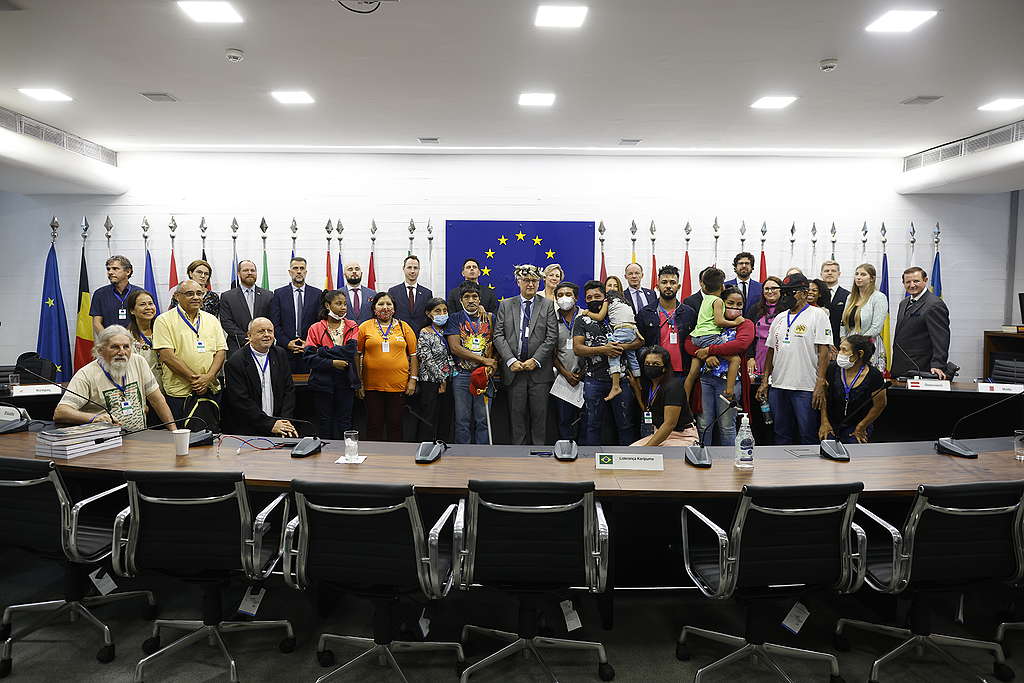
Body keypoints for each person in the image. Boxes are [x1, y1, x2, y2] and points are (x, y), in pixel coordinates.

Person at [54, 325, 177, 432]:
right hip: (105, 443)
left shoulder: (139, 362)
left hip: (139, 438)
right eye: (115, 347)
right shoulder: (86, 374)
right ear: (100, 350)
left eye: (126, 347)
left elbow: (158, 400)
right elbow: (61, 412)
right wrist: (94, 418)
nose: (122, 352)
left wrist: (174, 431)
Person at [755, 273, 832, 445]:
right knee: (780, 434)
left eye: (792, 292)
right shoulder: (780, 317)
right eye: (785, 292)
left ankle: (810, 471)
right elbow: (770, 351)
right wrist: (765, 381)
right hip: (778, 386)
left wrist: (820, 381)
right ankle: (782, 470)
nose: (786, 296)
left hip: (805, 386)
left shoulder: (818, 315)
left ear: (805, 293)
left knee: (807, 434)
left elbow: (824, 351)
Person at [493, 264, 558, 445]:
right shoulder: (506, 305)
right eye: (526, 280)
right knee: (516, 417)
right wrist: (510, 360)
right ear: (518, 282)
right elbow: (498, 335)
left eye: (534, 281)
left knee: (540, 417)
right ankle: (518, 456)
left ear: (539, 282)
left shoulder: (547, 305)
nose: (530, 284)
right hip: (514, 371)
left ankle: (539, 454)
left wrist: (536, 360)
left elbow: (552, 337)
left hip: (539, 372)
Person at [573, 280, 641, 446]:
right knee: (592, 424)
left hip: (622, 380)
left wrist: (618, 347)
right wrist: (604, 349)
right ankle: (590, 462)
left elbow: (638, 342)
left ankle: (628, 463)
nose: (593, 299)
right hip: (594, 380)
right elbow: (578, 349)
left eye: (597, 296)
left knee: (625, 425)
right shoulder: (582, 320)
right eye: (589, 297)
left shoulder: (617, 313)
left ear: (605, 297)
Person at [684, 287, 754, 446]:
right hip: (706, 380)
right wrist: (706, 355)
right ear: (722, 303)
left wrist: (710, 350)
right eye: (730, 303)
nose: (735, 308)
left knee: (727, 426)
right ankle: (702, 457)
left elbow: (740, 345)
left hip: (730, 382)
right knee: (703, 424)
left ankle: (729, 464)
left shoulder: (744, 323)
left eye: (739, 304)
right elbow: (689, 342)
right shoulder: (712, 321)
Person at [152, 280, 228, 422]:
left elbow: (221, 351)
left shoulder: (212, 319)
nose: (196, 297)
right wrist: (197, 381)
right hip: (180, 393)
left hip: (210, 389)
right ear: (177, 296)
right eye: (189, 294)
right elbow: (167, 356)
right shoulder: (163, 320)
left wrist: (208, 377)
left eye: (199, 293)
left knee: (210, 435)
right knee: (183, 438)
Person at [356, 292, 418, 441]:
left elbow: (414, 356)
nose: (385, 307)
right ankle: (372, 459)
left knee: (395, 425)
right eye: (381, 304)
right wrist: (359, 383)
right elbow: (357, 355)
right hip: (371, 386)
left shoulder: (404, 327)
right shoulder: (365, 327)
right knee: (373, 425)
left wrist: (413, 380)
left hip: (398, 386)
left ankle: (395, 460)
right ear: (374, 308)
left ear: (394, 308)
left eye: (389, 304)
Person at [222, 317, 298, 437]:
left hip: (279, 426)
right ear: (249, 335)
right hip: (249, 430)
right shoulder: (235, 362)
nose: (267, 335)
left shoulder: (280, 354)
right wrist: (269, 424)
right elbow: (240, 401)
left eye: (270, 331)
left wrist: (284, 421)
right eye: (261, 331)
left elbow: (289, 390)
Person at [445, 282, 498, 445]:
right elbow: (455, 348)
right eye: (466, 297)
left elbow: (498, 342)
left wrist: (493, 363)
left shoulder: (490, 318)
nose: (471, 300)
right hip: (462, 375)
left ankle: (483, 455)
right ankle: (463, 456)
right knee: (462, 419)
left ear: (480, 299)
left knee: (483, 419)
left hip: (484, 375)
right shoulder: (455, 318)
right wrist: (483, 360)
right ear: (461, 300)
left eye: (474, 296)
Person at [303, 290, 360, 438]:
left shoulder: (352, 325)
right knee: (324, 422)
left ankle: (346, 455)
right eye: (338, 303)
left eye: (345, 304)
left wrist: (322, 351)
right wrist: (332, 363)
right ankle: (325, 457)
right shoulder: (315, 328)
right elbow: (309, 358)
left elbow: (350, 351)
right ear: (328, 305)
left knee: (345, 422)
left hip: (346, 381)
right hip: (322, 382)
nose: (343, 307)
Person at [683, 267, 744, 403]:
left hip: (696, 337)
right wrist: (735, 322)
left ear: (704, 286)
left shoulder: (706, 299)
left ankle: (684, 402)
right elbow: (719, 321)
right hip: (709, 337)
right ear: (722, 286)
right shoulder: (717, 301)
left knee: (693, 372)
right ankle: (729, 392)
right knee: (735, 360)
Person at [819, 335, 887, 444]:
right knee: (827, 447)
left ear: (859, 354)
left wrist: (862, 426)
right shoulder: (832, 369)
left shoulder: (874, 375)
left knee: (854, 449)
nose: (839, 353)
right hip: (832, 424)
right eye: (840, 349)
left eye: (844, 350)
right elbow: (823, 396)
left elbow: (880, 404)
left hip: (858, 426)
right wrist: (824, 422)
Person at [628, 345, 698, 447]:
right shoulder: (649, 385)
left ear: (665, 367)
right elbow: (646, 409)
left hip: (681, 436)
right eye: (647, 363)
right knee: (632, 450)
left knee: (647, 455)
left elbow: (670, 424)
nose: (650, 366)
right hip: (659, 433)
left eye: (656, 364)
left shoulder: (673, 387)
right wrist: (636, 388)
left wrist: (646, 449)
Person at [890, 266, 951, 380]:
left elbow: (941, 338)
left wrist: (938, 364)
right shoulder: (904, 303)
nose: (912, 285)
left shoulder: (934, 305)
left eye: (916, 281)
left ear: (925, 280)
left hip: (920, 368)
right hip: (900, 366)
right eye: (908, 282)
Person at [580, 289, 641, 401]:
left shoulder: (607, 300)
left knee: (613, 353)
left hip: (621, 329)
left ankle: (615, 386)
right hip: (632, 331)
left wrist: (587, 313)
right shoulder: (624, 302)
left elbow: (599, 317)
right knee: (632, 358)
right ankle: (638, 382)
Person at [269, 257, 322, 373]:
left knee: (309, 388)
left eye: (302, 268)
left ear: (306, 272)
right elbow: (275, 324)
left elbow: (319, 324)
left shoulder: (317, 294)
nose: (299, 271)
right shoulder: (279, 294)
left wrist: (308, 343)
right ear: (290, 272)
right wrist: (287, 343)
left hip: (309, 350)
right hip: (285, 351)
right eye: (295, 268)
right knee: (286, 387)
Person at [415, 297, 455, 442]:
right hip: (431, 382)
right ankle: (424, 448)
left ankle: (443, 446)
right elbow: (427, 359)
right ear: (428, 313)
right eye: (437, 311)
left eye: (445, 310)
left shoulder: (450, 331)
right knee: (428, 417)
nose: (442, 313)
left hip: (449, 380)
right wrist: (441, 379)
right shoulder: (424, 332)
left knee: (446, 417)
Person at [840, 263, 889, 373]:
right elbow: (843, 322)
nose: (858, 277)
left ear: (872, 278)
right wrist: (843, 340)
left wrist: (857, 343)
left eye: (863, 274)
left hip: (868, 343)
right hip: (850, 344)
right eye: (856, 274)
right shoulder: (850, 297)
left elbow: (876, 327)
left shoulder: (879, 297)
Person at [219, 259, 272, 356]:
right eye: (245, 270)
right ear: (239, 273)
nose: (250, 273)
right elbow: (226, 322)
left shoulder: (268, 295)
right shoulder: (227, 296)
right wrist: (248, 338)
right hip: (237, 346)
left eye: (252, 270)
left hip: (263, 346)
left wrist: (259, 338)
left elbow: (272, 319)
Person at [551, 281, 583, 441]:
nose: (564, 298)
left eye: (568, 294)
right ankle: (565, 453)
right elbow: (551, 351)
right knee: (564, 421)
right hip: (562, 379)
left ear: (576, 298)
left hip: (585, 377)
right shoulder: (551, 319)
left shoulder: (585, 317)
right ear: (555, 299)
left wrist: (581, 374)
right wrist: (565, 374)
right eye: (560, 295)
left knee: (587, 420)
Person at [90, 255, 143, 335]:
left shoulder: (140, 293)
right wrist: (108, 339)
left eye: (115, 269)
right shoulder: (99, 294)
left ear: (128, 271)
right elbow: (97, 323)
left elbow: (143, 319)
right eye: (108, 269)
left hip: (134, 341)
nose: (110, 272)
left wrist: (129, 338)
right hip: (109, 343)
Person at [125, 289, 163, 392]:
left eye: (151, 303)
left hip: (167, 389)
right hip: (144, 390)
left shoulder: (164, 330)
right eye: (142, 304)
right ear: (132, 310)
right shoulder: (127, 337)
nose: (148, 308)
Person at [748, 276, 783, 378]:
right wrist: (750, 357)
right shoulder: (755, 309)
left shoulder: (788, 310)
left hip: (780, 354)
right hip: (759, 354)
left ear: (781, 290)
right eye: (767, 289)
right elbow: (749, 336)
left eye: (774, 288)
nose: (770, 291)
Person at [389, 255, 433, 330]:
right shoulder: (393, 292)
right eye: (409, 267)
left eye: (415, 268)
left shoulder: (427, 293)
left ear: (419, 270)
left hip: (421, 336)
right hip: (399, 335)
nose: (412, 271)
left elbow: (429, 316)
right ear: (403, 269)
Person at [820, 259, 849, 344]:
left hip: (839, 342)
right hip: (817, 341)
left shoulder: (848, 296)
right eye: (826, 271)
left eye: (833, 271)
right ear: (821, 274)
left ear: (839, 274)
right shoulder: (814, 295)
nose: (829, 273)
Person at [726, 251, 763, 318]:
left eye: (747, 263)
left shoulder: (760, 287)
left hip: (753, 325)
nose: (744, 266)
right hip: (729, 325)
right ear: (735, 267)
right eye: (741, 263)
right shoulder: (725, 286)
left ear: (752, 267)